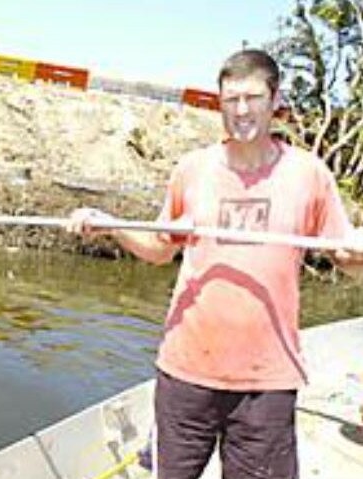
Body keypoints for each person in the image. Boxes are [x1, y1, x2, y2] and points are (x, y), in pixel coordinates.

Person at [67, 49, 363, 479]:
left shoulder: (309, 175)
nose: (241, 111)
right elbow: (158, 248)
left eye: (253, 98)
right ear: (219, 102)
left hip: (267, 381)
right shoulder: (194, 170)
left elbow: (346, 258)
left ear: (275, 99)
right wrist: (109, 224)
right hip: (186, 374)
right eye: (231, 100)